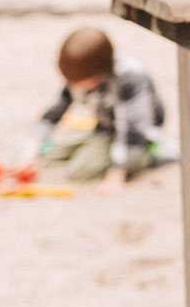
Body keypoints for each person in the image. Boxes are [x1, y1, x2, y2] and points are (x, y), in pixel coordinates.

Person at [30, 28, 166, 194]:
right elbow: (56, 111)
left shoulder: (129, 79)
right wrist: (32, 148)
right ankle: (96, 147)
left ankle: (152, 156)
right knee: (48, 152)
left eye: (80, 82)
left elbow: (133, 132)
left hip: (138, 135)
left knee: (82, 170)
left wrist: (117, 174)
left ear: (97, 75)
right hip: (105, 128)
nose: (74, 86)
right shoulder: (79, 76)